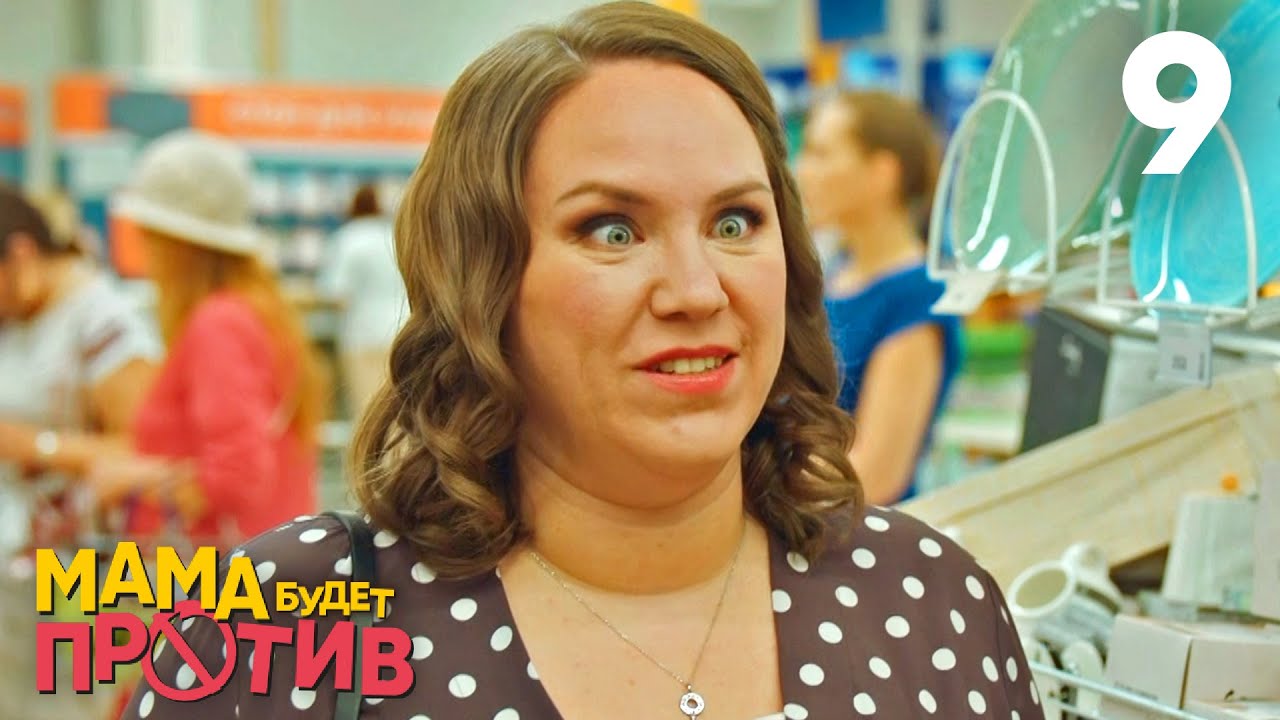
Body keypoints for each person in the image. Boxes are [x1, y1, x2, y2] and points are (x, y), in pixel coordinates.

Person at [124, 4, 1039, 719]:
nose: (697, 289)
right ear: (484, 282)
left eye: (734, 222)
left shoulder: (931, 603)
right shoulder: (283, 621)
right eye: (612, 230)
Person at [88, 130, 327, 546]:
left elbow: (237, 474)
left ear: (174, 241)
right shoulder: (256, 311)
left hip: (217, 571)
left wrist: (132, 478)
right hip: (264, 564)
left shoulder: (218, 323)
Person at [795, 90, 963, 505]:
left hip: (849, 530)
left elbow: (876, 474)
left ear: (881, 173)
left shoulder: (915, 296)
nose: (802, 170)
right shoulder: (835, 274)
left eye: (821, 154)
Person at [0, 183, 161, 554]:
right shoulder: (17, 319)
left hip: (76, 556)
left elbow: (143, 450)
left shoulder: (104, 324)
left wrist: (33, 446)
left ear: (21, 254)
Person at [320, 182, 408, 418]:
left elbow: (337, 295)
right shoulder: (392, 235)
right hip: (400, 330)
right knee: (397, 413)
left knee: (366, 412)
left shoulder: (348, 238)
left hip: (363, 336)